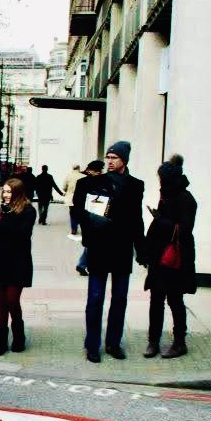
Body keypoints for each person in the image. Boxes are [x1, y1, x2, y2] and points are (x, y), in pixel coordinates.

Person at [71, 141, 145, 363]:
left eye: (114, 157)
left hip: (122, 249)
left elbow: (137, 220)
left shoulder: (136, 185)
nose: (109, 161)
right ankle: (92, 345)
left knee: (120, 298)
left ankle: (113, 343)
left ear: (124, 160)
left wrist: (141, 250)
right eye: (108, 157)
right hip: (99, 248)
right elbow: (78, 210)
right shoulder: (90, 183)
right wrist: (91, 227)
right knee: (95, 297)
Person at [140, 155, 197, 359]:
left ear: (169, 179)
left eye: (162, 179)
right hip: (159, 257)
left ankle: (180, 342)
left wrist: (160, 220)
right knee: (156, 299)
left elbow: (184, 229)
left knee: (175, 299)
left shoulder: (185, 198)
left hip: (175, 259)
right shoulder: (167, 195)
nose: (160, 182)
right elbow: (159, 227)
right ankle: (153, 341)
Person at [0, 178, 36, 355]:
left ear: (18, 193)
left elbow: (22, 234)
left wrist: (0, 220)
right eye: (4, 191)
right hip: (0, 260)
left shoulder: (29, 210)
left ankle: (19, 336)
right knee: (2, 302)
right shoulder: (4, 209)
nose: (5, 195)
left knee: (12, 300)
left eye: (9, 192)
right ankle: (2, 341)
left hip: (18, 261)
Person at [75, 160, 104, 276]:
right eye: (100, 170)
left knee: (92, 242)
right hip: (94, 217)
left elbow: (76, 201)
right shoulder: (96, 182)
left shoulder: (81, 182)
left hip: (87, 217)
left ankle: (82, 264)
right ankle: (84, 265)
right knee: (93, 242)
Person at [63, 165, 86, 235]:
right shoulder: (83, 176)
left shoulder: (68, 176)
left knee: (72, 213)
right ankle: (83, 229)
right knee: (82, 213)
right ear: (79, 168)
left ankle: (74, 229)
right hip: (81, 198)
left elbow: (64, 187)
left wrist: (67, 190)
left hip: (71, 198)